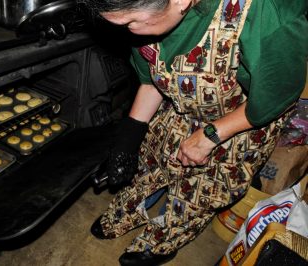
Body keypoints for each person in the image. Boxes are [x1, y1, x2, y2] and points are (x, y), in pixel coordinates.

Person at [82, 0, 308, 265]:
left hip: (240, 121)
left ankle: (164, 237)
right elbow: (152, 83)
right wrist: (128, 140)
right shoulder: (146, 21)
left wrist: (211, 135)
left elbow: (275, 99)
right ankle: (131, 210)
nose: (128, 31)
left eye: (131, 22)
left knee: (199, 192)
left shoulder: (268, 15)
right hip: (183, 105)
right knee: (151, 161)